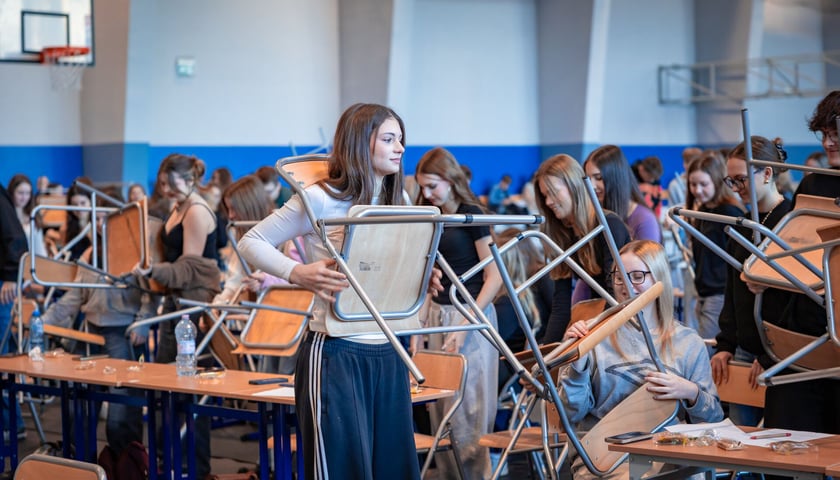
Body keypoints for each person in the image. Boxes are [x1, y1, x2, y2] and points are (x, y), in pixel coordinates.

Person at [239, 103, 429, 479]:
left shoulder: (399, 201)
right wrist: (297, 272)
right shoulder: (319, 197)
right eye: (389, 139)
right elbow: (252, 241)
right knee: (343, 470)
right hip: (335, 351)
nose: (400, 148)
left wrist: (424, 277)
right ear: (361, 142)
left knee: (394, 468)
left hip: (388, 347)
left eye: (402, 140)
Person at [560, 240, 723, 479]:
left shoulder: (688, 343)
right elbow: (570, 414)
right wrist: (575, 364)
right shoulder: (593, 338)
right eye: (619, 277)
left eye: (637, 276)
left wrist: (690, 392)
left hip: (668, 453)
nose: (626, 285)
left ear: (659, 279)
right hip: (606, 458)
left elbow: (713, 420)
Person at [41, 188, 151, 459]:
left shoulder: (135, 251)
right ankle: (83, 465)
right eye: (98, 218)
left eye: (106, 217)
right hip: (89, 332)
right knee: (76, 408)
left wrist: (143, 322)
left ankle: (129, 466)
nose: (102, 224)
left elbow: (151, 292)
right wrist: (42, 321)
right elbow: (75, 296)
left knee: (119, 417)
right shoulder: (90, 253)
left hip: (121, 332)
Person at [414, 146, 502, 480]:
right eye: (422, 187)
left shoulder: (471, 212)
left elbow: (494, 277)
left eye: (432, 186)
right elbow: (425, 276)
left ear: (451, 181)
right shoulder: (428, 215)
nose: (426, 194)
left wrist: (466, 325)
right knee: (442, 414)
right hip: (438, 315)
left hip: (471, 315)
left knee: (469, 414)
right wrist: (420, 326)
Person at [133, 153, 220, 479]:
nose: (164, 188)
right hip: (174, 303)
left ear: (187, 180)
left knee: (189, 390)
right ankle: (170, 462)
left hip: (192, 306)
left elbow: (187, 269)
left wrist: (152, 270)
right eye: (162, 183)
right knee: (170, 385)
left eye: (169, 183)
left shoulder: (197, 211)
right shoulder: (178, 208)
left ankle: (194, 468)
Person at [761, 90, 840, 436]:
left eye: (834, 134)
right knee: (790, 442)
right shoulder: (813, 184)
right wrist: (764, 274)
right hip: (806, 333)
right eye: (823, 135)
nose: (827, 143)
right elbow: (790, 248)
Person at [712, 136, 792, 427]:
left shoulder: (792, 223)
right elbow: (733, 293)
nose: (735, 189)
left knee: (779, 446)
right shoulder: (744, 227)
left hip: (783, 355)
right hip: (746, 351)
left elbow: (795, 301)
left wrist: (772, 354)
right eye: (730, 181)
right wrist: (725, 344)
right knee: (739, 445)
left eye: (741, 179)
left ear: (767, 174)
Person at [533, 154, 631, 343]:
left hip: (620, 321)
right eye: (545, 196)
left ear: (574, 186)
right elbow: (561, 303)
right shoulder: (562, 234)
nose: (548, 202)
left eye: (553, 193)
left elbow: (616, 293)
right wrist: (547, 352)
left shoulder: (608, 224)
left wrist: (593, 337)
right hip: (597, 320)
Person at [684, 151, 743, 343]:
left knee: (706, 350)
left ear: (717, 182)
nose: (697, 190)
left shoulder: (728, 212)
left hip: (720, 293)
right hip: (703, 291)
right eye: (693, 184)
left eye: (703, 184)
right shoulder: (703, 210)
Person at [583, 145, 660, 243]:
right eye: (588, 179)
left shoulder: (645, 220)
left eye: (598, 178)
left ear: (616, 179)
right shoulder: (594, 214)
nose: (592, 186)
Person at [8, 174, 47, 257]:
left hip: (31, 264)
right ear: (11, 192)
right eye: (20, 193)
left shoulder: (34, 215)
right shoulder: (6, 217)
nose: (24, 197)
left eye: (27, 193)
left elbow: (39, 248)